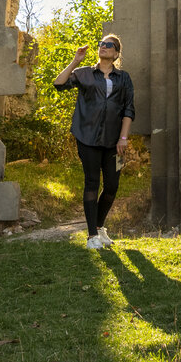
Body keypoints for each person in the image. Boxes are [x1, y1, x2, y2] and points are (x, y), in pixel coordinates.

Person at [54, 32, 134, 250]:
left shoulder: (123, 78)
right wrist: (75, 60)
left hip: (115, 142)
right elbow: (58, 84)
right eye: (101, 44)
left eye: (109, 45)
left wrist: (123, 138)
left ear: (116, 53)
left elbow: (128, 109)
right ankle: (91, 236)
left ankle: (99, 227)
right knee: (91, 182)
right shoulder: (84, 73)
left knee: (112, 186)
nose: (104, 47)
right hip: (87, 137)